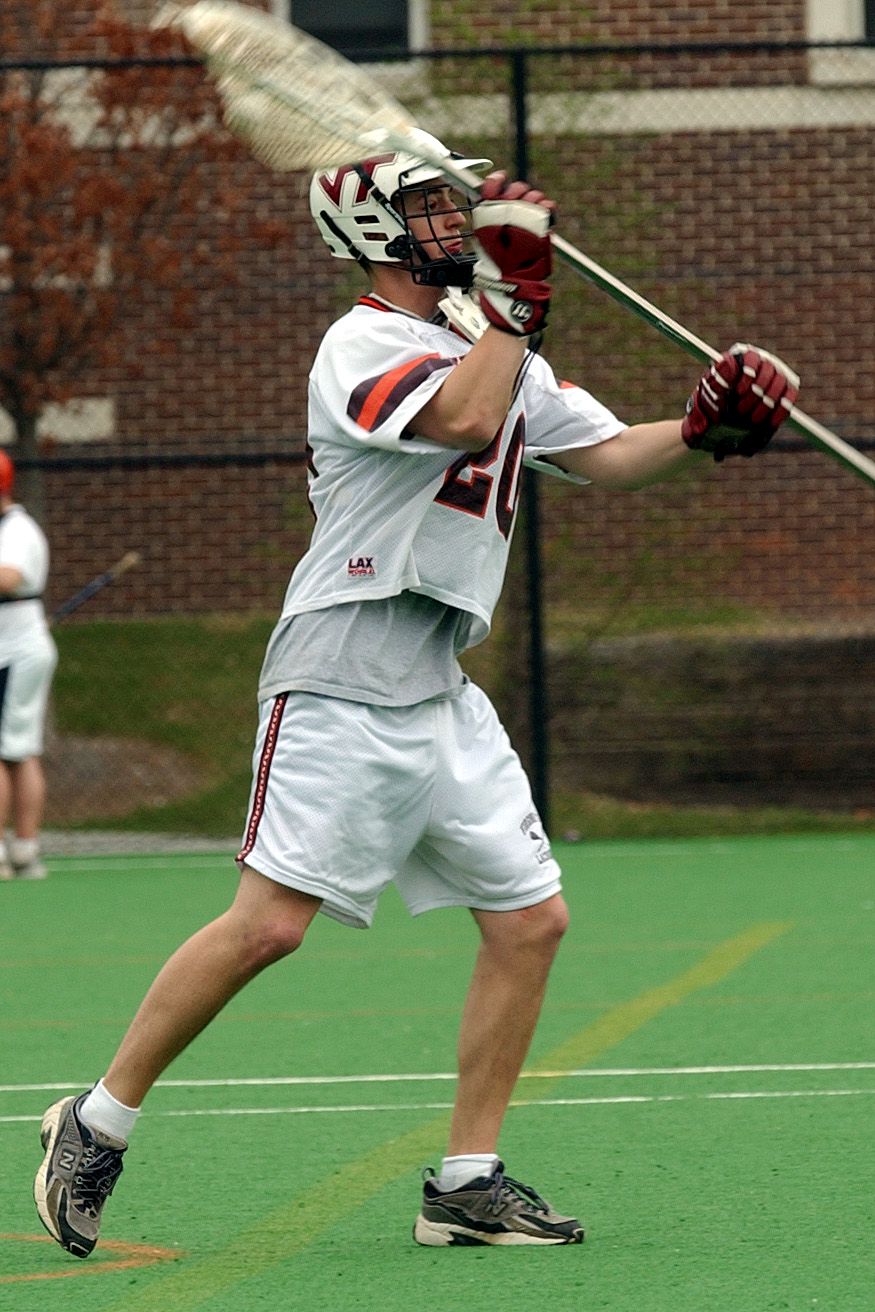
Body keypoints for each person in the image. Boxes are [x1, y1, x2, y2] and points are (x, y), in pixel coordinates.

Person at [33, 130, 799, 1257]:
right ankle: (96, 1121)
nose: (456, 224)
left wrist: (699, 429)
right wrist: (515, 314)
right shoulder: (361, 343)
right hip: (342, 666)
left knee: (530, 921)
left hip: (438, 679)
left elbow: (601, 456)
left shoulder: (489, 340)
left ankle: (466, 1183)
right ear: (367, 231)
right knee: (268, 928)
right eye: (430, 210)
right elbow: (459, 419)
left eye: (453, 208)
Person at [0, 452, 57, 881]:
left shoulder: (16, 529)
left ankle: (16, 849)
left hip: (15, 652)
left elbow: (9, 577)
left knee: (11, 750)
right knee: (18, 750)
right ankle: (22, 850)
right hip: (15, 647)